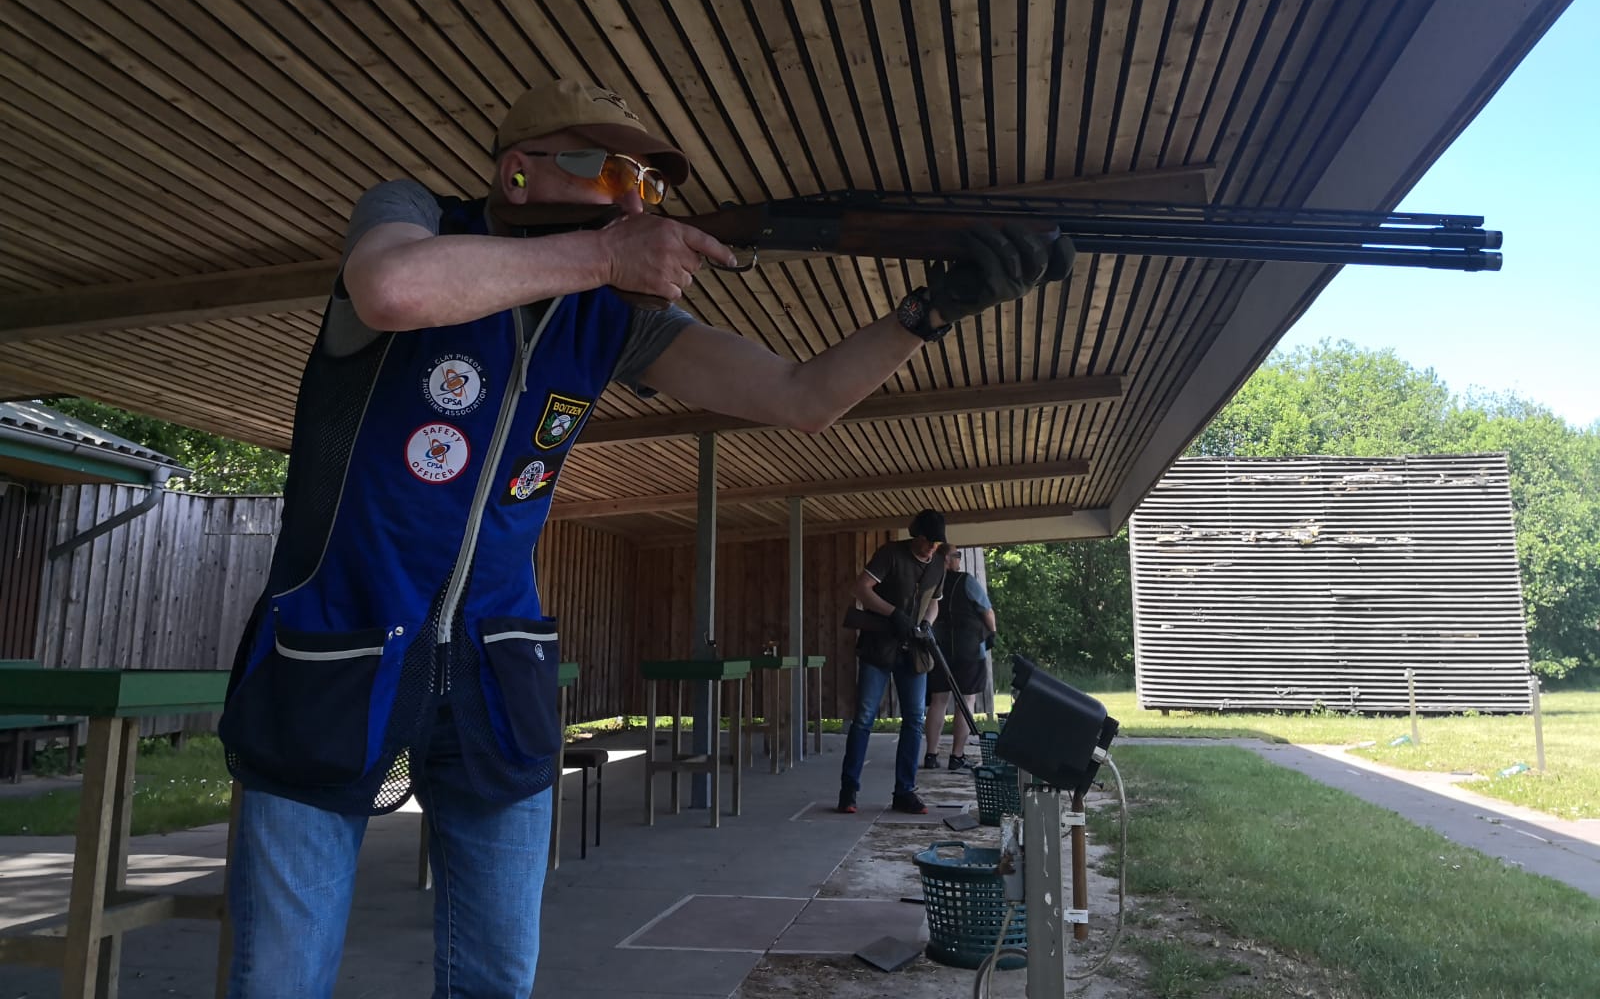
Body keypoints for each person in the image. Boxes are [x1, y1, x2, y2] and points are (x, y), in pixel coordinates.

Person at [215, 78, 1072, 999]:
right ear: (517, 172)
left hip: (496, 669)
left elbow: (800, 398)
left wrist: (927, 316)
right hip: (332, 649)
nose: (638, 197)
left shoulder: (614, 316)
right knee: (281, 980)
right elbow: (390, 286)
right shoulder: (413, 214)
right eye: (615, 171)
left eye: (650, 185)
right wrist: (604, 254)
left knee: (498, 977)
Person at [837, 508, 951, 816]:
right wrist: (893, 614)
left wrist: (926, 624)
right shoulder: (890, 554)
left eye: (937, 543)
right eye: (928, 541)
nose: (932, 548)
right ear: (917, 535)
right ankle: (849, 789)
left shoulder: (938, 564)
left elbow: (934, 605)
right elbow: (860, 588)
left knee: (914, 720)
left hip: (914, 650)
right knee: (864, 718)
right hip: (880, 644)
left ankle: (905, 791)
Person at [923, 543, 997, 772]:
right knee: (966, 702)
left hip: (938, 650)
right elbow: (987, 611)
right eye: (957, 555)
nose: (959, 560)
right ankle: (957, 756)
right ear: (947, 559)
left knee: (938, 702)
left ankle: (931, 755)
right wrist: (992, 633)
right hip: (968, 651)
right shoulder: (967, 581)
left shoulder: (929, 582)